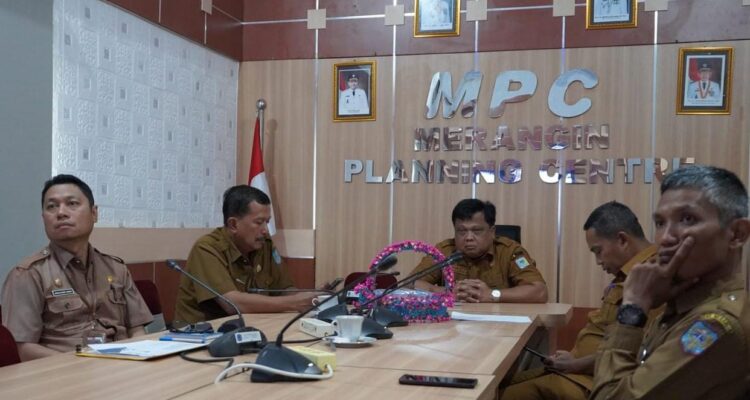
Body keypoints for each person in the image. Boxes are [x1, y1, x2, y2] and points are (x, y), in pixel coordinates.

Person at [591, 165, 750, 399]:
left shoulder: (716, 325)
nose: (665, 238)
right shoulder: (682, 301)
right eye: (660, 223)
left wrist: (632, 309)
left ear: (737, 234)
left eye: (687, 219)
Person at [500, 201, 657, 400]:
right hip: (581, 369)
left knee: (504, 394)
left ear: (622, 240)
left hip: (597, 381)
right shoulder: (628, 274)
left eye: (598, 251)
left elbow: (638, 351)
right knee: (501, 382)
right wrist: (574, 358)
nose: (598, 261)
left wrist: (576, 364)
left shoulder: (651, 277)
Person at [1, 174, 152, 361]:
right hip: (62, 371)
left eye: (72, 204)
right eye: (51, 206)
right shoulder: (28, 274)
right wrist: (80, 364)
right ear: (43, 219)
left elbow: (137, 329)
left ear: (94, 213)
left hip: (122, 365)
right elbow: (22, 348)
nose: (61, 213)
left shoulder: (116, 269)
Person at [174, 185, 315, 324]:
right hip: (202, 333)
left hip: (251, 326)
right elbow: (232, 304)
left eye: (267, 222)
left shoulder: (264, 244)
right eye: (259, 222)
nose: (265, 230)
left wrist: (315, 297)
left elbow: (284, 289)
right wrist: (293, 303)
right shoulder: (207, 248)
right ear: (233, 225)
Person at [410, 198, 547, 303]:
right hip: (454, 324)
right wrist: (446, 292)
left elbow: (539, 292)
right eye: (462, 231)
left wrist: (492, 294)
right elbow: (410, 284)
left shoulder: (510, 252)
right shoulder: (444, 252)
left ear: (492, 232)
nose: (469, 238)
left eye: (476, 231)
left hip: (500, 322)